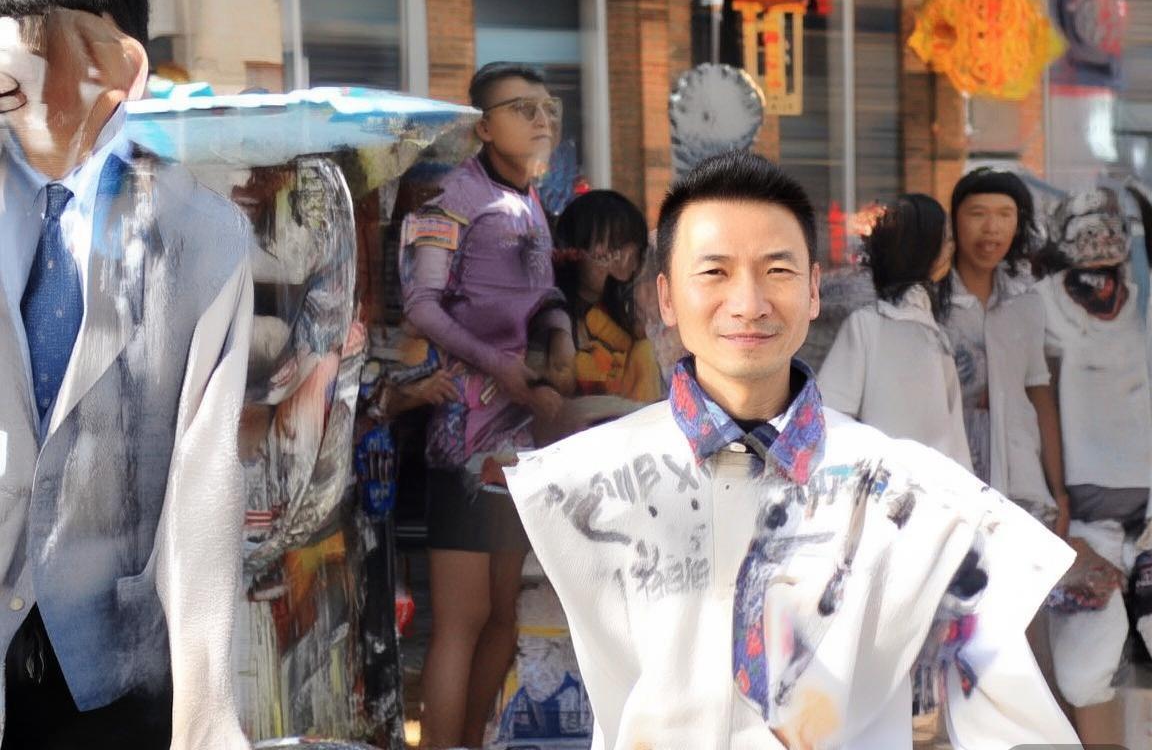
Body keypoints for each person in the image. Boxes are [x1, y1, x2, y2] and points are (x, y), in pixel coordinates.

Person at [505, 152, 1078, 749]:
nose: (748, 303)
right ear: (666, 298)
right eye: (715, 271)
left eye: (776, 270)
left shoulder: (909, 493)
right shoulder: (585, 479)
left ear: (812, 291)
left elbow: (1014, 717)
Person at [0, 0, 253, 749]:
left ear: (117, 67)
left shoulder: (201, 234)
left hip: (112, 662)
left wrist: (208, 712)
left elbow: (205, 471)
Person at [399, 61, 575, 748]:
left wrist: (560, 336)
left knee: (503, 615)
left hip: (522, 435)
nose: (541, 120)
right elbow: (421, 307)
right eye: (522, 108)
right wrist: (501, 365)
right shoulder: (451, 200)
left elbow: (544, 293)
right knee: (463, 621)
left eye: (547, 107)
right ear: (483, 127)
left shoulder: (530, 200)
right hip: (464, 432)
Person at [1036, 186, 1152, 746]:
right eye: (1085, 229)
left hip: (1148, 520)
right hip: (1083, 522)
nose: (1099, 240)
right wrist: (1053, 503)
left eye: (1109, 228)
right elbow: (1032, 403)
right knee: (1083, 673)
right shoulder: (1041, 305)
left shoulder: (1144, 302)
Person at [941, 168, 1069, 536]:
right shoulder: (931, 303)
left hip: (1018, 477)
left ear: (1018, 223)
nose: (991, 228)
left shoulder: (1026, 302)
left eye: (1004, 215)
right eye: (977, 214)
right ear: (955, 221)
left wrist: (1058, 490)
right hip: (950, 475)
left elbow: (1039, 395)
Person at [818, 194, 970, 468]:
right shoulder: (867, 325)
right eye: (945, 239)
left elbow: (953, 437)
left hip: (933, 487)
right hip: (879, 485)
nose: (952, 247)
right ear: (922, 248)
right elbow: (830, 416)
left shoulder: (935, 334)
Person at [554, 189, 663, 403]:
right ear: (575, 250)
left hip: (630, 416)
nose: (622, 257)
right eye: (613, 246)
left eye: (631, 246)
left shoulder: (625, 311)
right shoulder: (555, 315)